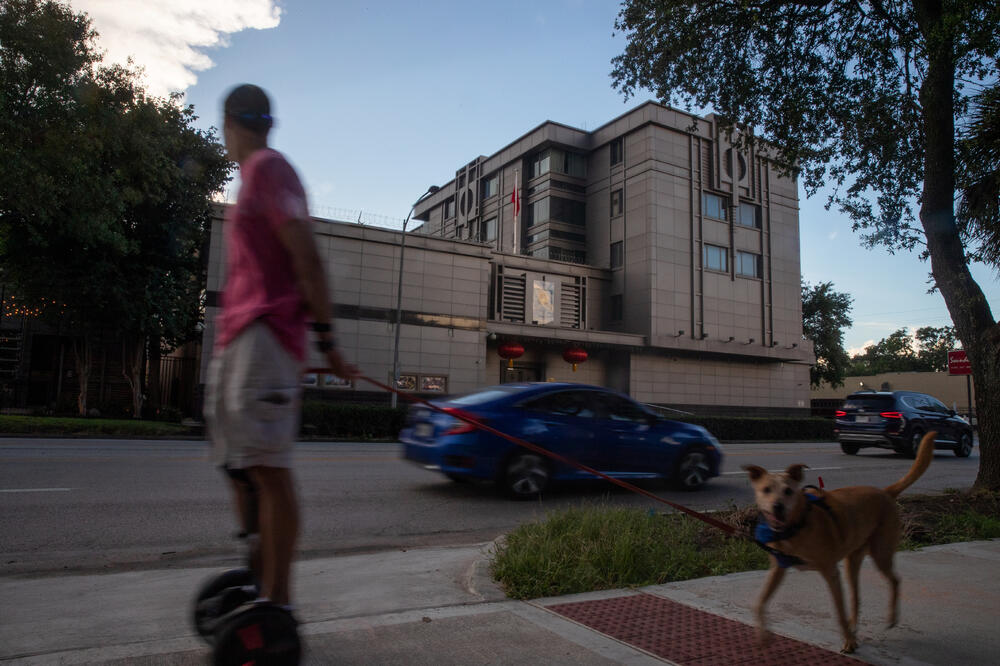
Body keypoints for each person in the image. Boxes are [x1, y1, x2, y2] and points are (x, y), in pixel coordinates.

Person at [204, 83, 357, 610]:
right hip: (239, 340)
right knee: (236, 465)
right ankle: (256, 573)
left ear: (231, 125)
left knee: (267, 470)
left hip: (267, 340)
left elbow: (307, 259)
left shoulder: (270, 169)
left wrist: (327, 340)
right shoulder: (251, 178)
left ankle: (279, 607)